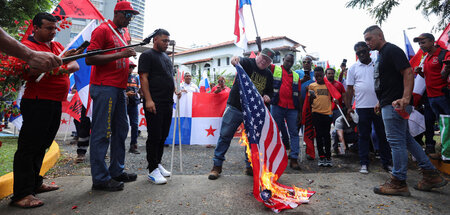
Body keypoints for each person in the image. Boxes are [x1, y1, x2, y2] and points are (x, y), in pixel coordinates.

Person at [364, 25, 447, 196]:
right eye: (366, 40)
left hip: (397, 104)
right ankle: (431, 174)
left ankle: (399, 181)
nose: (367, 43)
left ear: (380, 36)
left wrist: (406, 98)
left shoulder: (391, 50)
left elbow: (408, 72)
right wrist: (381, 101)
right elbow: (388, 81)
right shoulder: (382, 54)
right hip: (390, 102)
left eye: (369, 39)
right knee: (406, 140)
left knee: (395, 142)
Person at [10, 12, 80, 208]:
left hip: (55, 101)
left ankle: (35, 183)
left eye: (55, 28)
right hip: (37, 101)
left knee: (43, 144)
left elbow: (74, 64)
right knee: (29, 147)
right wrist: (60, 68)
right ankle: (21, 194)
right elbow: (28, 72)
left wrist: (59, 67)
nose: (53, 32)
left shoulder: (57, 47)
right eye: (49, 28)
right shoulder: (29, 48)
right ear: (36, 28)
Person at [85, 1, 139, 192]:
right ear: (118, 13)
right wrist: (120, 55)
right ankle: (100, 179)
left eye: (132, 16)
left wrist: (125, 56)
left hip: (119, 88)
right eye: (128, 15)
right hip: (104, 87)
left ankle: (116, 170)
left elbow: (122, 54)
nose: (130, 19)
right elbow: (89, 58)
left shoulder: (125, 33)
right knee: (102, 133)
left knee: (121, 130)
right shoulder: (103, 30)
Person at [208, 48, 274, 180]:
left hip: (253, 112)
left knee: (252, 139)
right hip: (235, 106)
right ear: (259, 55)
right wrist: (234, 59)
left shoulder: (268, 74)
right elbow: (236, 60)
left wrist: (267, 96)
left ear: (269, 63)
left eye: (267, 60)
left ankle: (250, 165)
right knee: (225, 135)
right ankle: (217, 166)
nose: (264, 61)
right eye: (263, 57)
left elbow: (269, 92)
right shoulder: (247, 63)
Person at [139, 29, 179, 185]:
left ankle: (158, 163)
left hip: (167, 101)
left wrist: (175, 89)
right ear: (155, 39)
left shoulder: (165, 57)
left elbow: (168, 76)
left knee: (163, 135)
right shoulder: (147, 55)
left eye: (168, 41)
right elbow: (143, 77)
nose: (166, 43)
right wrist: (148, 100)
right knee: (154, 135)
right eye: (164, 40)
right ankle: (152, 170)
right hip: (154, 102)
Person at [346, 41, 392, 174]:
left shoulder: (378, 64)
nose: (361, 54)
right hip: (361, 108)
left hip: (378, 106)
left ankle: (386, 163)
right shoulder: (353, 68)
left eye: (363, 51)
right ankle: (364, 163)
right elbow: (349, 89)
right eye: (358, 52)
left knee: (382, 135)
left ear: (368, 51)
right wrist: (349, 107)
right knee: (363, 136)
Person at [413, 33, 450, 162]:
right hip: (431, 97)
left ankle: (447, 154)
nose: (421, 46)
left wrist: (446, 68)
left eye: (423, 42)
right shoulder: (427, 57)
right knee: (443, 126)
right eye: (419, 43)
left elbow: (444, 75)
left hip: (444, 96)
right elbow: (430, 78)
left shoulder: (444, 54)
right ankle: (446, 152)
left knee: (448, 124)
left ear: (432, 42)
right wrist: (421, 73)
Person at [269, 54, 302, 170]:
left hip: (292, 108)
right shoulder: (275, 69)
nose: (289, 63)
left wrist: (299, 112)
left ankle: (293, 159)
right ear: (283, 60)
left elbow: (298, 95)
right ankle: (275, 157)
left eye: (291, 61)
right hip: (277, 106)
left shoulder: (296, 76)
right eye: (287, 61)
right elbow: (264, 61)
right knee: (275, 132)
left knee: (294, 133)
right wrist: (259, 46)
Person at [308, 67, 334, 167]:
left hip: (327, 113)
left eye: (320, 75)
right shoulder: (311, 86)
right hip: (316, 113)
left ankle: (328, 157)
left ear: (323, 75)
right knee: (318, 135)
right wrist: (311, 98)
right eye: (316, 76)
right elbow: (309, 102)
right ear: (314, 76)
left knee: (327, 135)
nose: (318, 77)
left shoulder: (328, 85)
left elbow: (334, 96)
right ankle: (321, 157)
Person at [325, 67, 346, 156]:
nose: (330, 75)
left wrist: (346, 107)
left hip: (337, 110)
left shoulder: (339, 84)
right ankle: (327, 150)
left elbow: (344, 96)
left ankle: (336, 149)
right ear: (326, 75)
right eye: (329, 73)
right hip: (326, 110)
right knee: (326, 131)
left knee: (338, 130)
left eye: (332, 73)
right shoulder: (323, 84)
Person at [126, 62, 141, 154]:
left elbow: (138, 89)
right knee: (122, 126)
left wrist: (141, 94)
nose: (130, 69)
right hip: (123, 103)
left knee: (135, 125)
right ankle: (118, 146)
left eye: (132, 67)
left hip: (134, 103)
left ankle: (133, 145)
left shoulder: (135, 78)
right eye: (129, 67)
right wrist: (126, 94)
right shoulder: (120, 76)